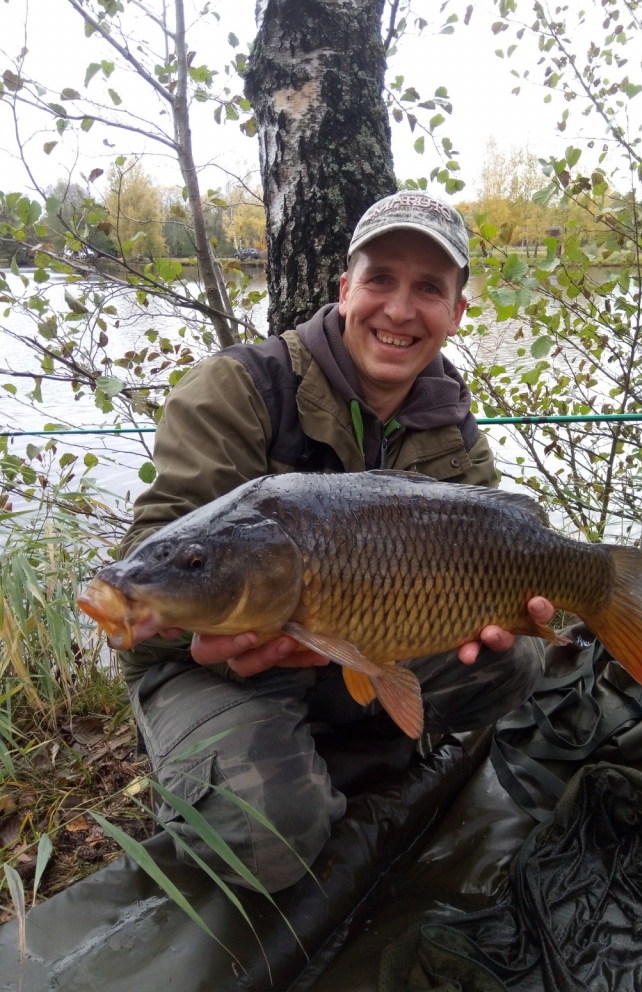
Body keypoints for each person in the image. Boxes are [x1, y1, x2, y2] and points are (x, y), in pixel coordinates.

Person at [119, 192, 555, 892]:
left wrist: (501, 611)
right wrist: (182, 631)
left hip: (353, 642)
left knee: (516, 660)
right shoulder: (240, 387)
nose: (400, 310)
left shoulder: (451, 423)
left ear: (456, 313)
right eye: (381, 279)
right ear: (346, 288)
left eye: (429, 289)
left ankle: (333, 749)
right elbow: (156, 559)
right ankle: (234, 762)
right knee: (264, 843)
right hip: (215, 663)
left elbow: (495, 548)